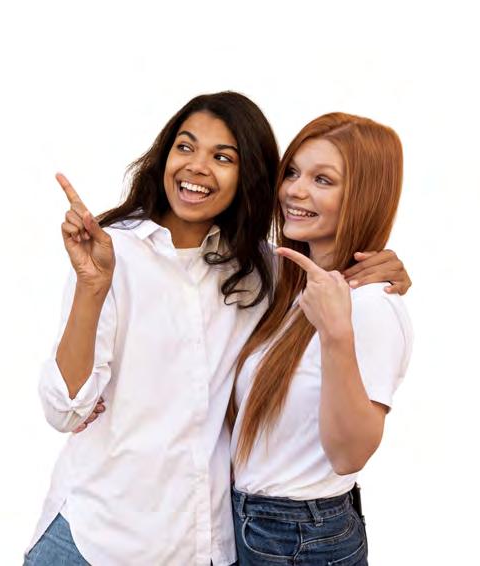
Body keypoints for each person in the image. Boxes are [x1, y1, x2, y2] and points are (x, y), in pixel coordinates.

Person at [24, 92, 411, 566]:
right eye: (185, 147)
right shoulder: (113, 253)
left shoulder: (264, 271)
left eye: (222, 157)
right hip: (101, 537)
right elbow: (64, 410)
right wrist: (91, 287)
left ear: (249, 175)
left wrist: (383, 271)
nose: (197, 166)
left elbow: (347, 301)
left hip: (209, 542)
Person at [229, 113, 410, 565]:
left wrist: (336, 333)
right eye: (292, 172)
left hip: (298, 537)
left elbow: (350, 454)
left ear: (364, 195)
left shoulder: (371, 306)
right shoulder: (287, 282)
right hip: (255, 524)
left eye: (322, 180)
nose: (294, 190)